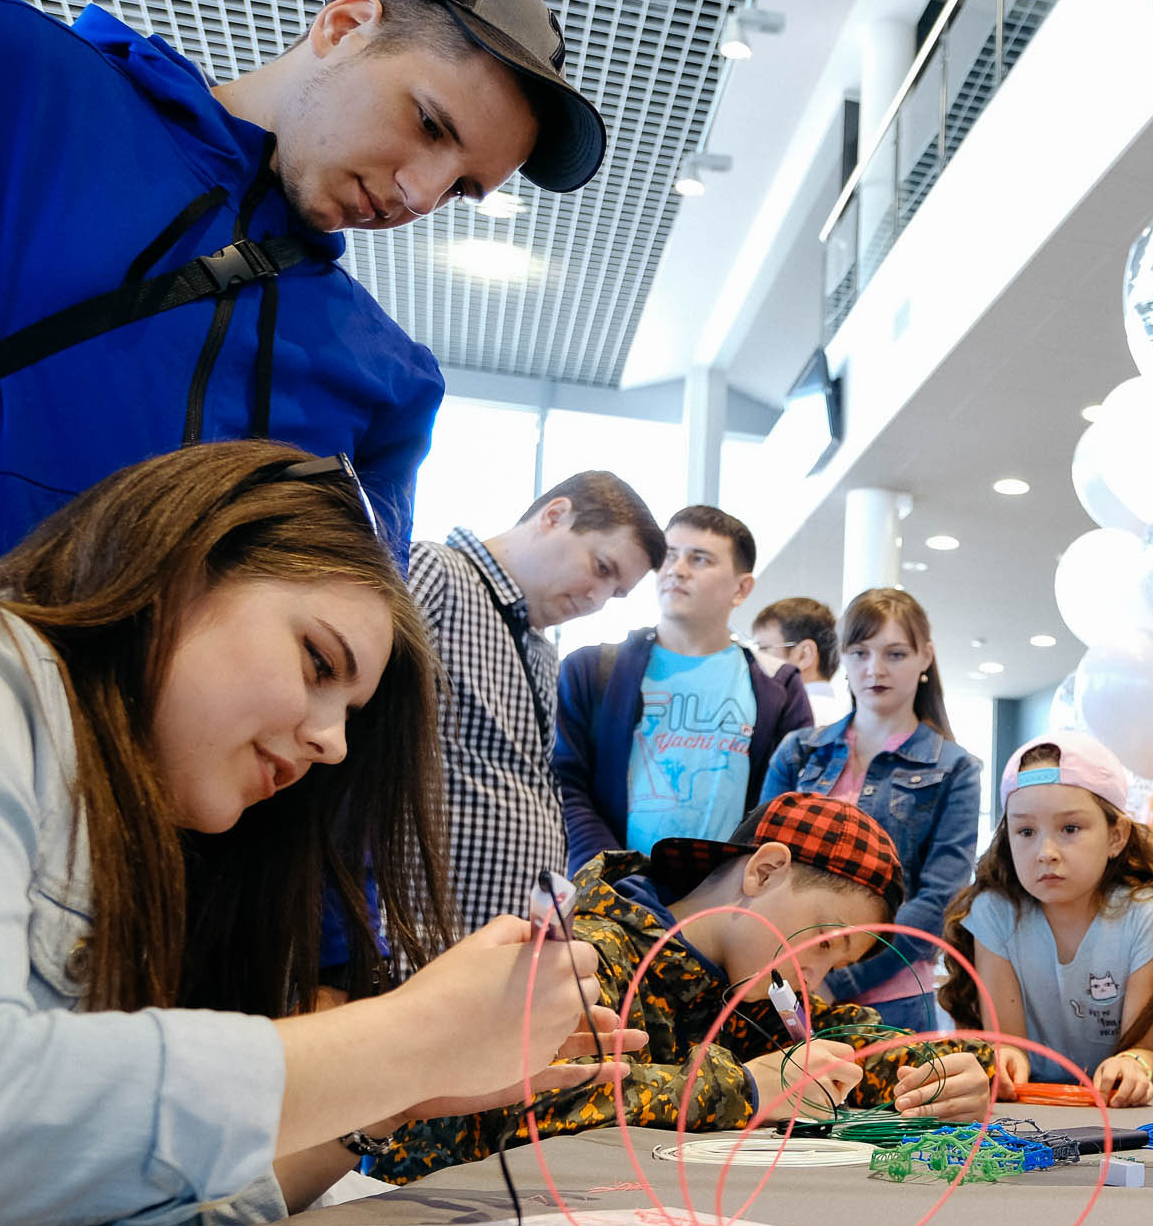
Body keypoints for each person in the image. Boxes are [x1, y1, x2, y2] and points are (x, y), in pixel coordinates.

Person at [0, 441, 633, 1226]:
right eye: (317, 663)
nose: (331, 743)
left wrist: (383, 1103)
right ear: (181, 564)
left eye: (349, 713)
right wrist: (408, 1036)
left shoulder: (143, 828)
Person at [0, 0, 606, 574]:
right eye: (430, 125)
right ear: (346, 26)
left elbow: (338, 639)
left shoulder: (390, 384)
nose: (421, 194)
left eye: (462, 188)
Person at [370, 793, 1000, 1182]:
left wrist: (953, 1069)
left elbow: (848, 1041)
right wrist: (750, 1088)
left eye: (836, 966)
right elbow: (530, 1099)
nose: (814, 977)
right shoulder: (584, 954)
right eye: (822, 941)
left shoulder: (751, 988)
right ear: (764, 871)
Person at [411, 472, 663, 932]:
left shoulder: (541, 648)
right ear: (555, 516)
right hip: (414, 928)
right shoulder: (438, 572)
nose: (597, 600)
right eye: (601, 568)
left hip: (488, 931)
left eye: (616, 593)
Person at [761, 589, 982, 1033]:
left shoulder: (955, 768)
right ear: (843, 656)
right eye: (860, 652)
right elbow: (758, 861)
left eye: (895, 654)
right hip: (789, 983)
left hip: (893, 998)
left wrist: (838, 979)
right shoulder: (799, 751)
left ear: (925, 657)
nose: (874, 669)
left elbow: (939, 900)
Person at [939, 736, 1153, 1105]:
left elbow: (1145, 1050)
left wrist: (1134, 1065)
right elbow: (1009, 1046)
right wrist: (1004, 1060)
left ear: (1116, 836)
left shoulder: (1146, 913)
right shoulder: (993, 913)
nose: (1045, 853)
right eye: (1026, 832)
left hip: (1126, 1114)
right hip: (1036, 1108)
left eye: (1070, 829)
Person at [554, 504, 813, 871]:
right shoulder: (590, 670)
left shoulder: (778, 685)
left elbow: (790, 802)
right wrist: (610, 873)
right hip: (610, 888)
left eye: (699, 559)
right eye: (670, 556)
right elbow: (565, 784)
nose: (677, 569)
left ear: (741, 589)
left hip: (728, 892)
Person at [753, 596, 850, 728]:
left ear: (804, 655)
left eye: (763, 649)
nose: (757, 660)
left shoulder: (787, 717)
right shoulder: (848, 715)